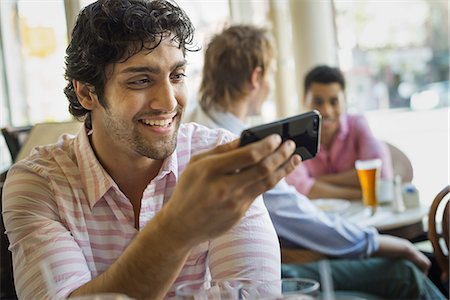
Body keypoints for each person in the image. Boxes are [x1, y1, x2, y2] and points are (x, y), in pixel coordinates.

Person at [1, 2, 301, 299]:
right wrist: (179, 227)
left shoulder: (218, 156)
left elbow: (253, 294)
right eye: (141, 80)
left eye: (177, 76)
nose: (169, 102)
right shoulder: (38, 185)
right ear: (87, 92)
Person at [184, 24, 445, 299]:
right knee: (404, 273)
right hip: (275, 276)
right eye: (271, 74)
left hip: (267, 268)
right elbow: (296, 214)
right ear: (256, 78)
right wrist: (383, 244)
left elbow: (302, 196)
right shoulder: (233, 145)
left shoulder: (196, 127)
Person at [285, 65, 393, 200]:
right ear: (304, 100)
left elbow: (380, 176)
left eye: (334, 102)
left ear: (344, 100)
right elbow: (299, 189)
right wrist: (361, 193)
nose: (326, 111)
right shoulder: (293, 138)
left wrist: (318, 181)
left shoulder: (358, 125)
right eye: (318, 102)